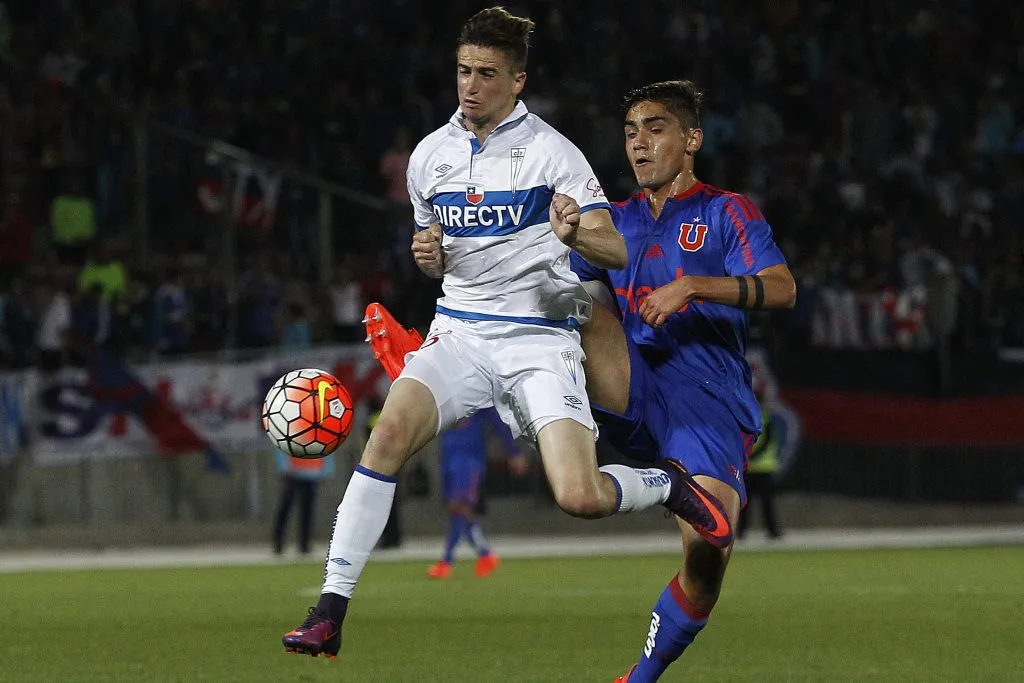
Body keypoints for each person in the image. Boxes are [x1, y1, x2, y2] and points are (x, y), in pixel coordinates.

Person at [282, 9, 732, 661]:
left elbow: (614, 250)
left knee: (579, 495)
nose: (470, 85)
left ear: (516, 81)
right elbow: (436, 245)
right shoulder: (428, 158)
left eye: (487, 74)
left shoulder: (553, 154)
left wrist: (578, 231)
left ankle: (667, 482)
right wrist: (428, 255)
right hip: (460, 332)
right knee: (385, 437)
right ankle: (329, 609)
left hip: (540, 337)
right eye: (464, 71)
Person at [564, 80, 796, 683]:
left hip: (706, 398)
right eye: (630, 132)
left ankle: (638, 678)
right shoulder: (613, 224)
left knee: (706, 562)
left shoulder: (726, 211)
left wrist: (695, 285)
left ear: (692, 139)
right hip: (636, 384)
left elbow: (782, 287)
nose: (638, 144)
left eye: (655, 128)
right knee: (570, 306)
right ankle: (441, 354)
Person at [427, 406, 527, 579]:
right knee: (456, 510)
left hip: (469, 463)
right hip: (449, 461)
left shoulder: (479, 400)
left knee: (460, 507)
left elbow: (499, 424)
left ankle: (447, 562)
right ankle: (484, 555)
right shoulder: (446, 398)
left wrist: (513, 452)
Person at [272, 449, 335, 557]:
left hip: (311, 473)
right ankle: (278, 542)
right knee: (285, 508)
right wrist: (284, 466)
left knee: (307, 511)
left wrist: (326, 469)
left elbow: (328, 447)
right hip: (292, 473)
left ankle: (304, 544)